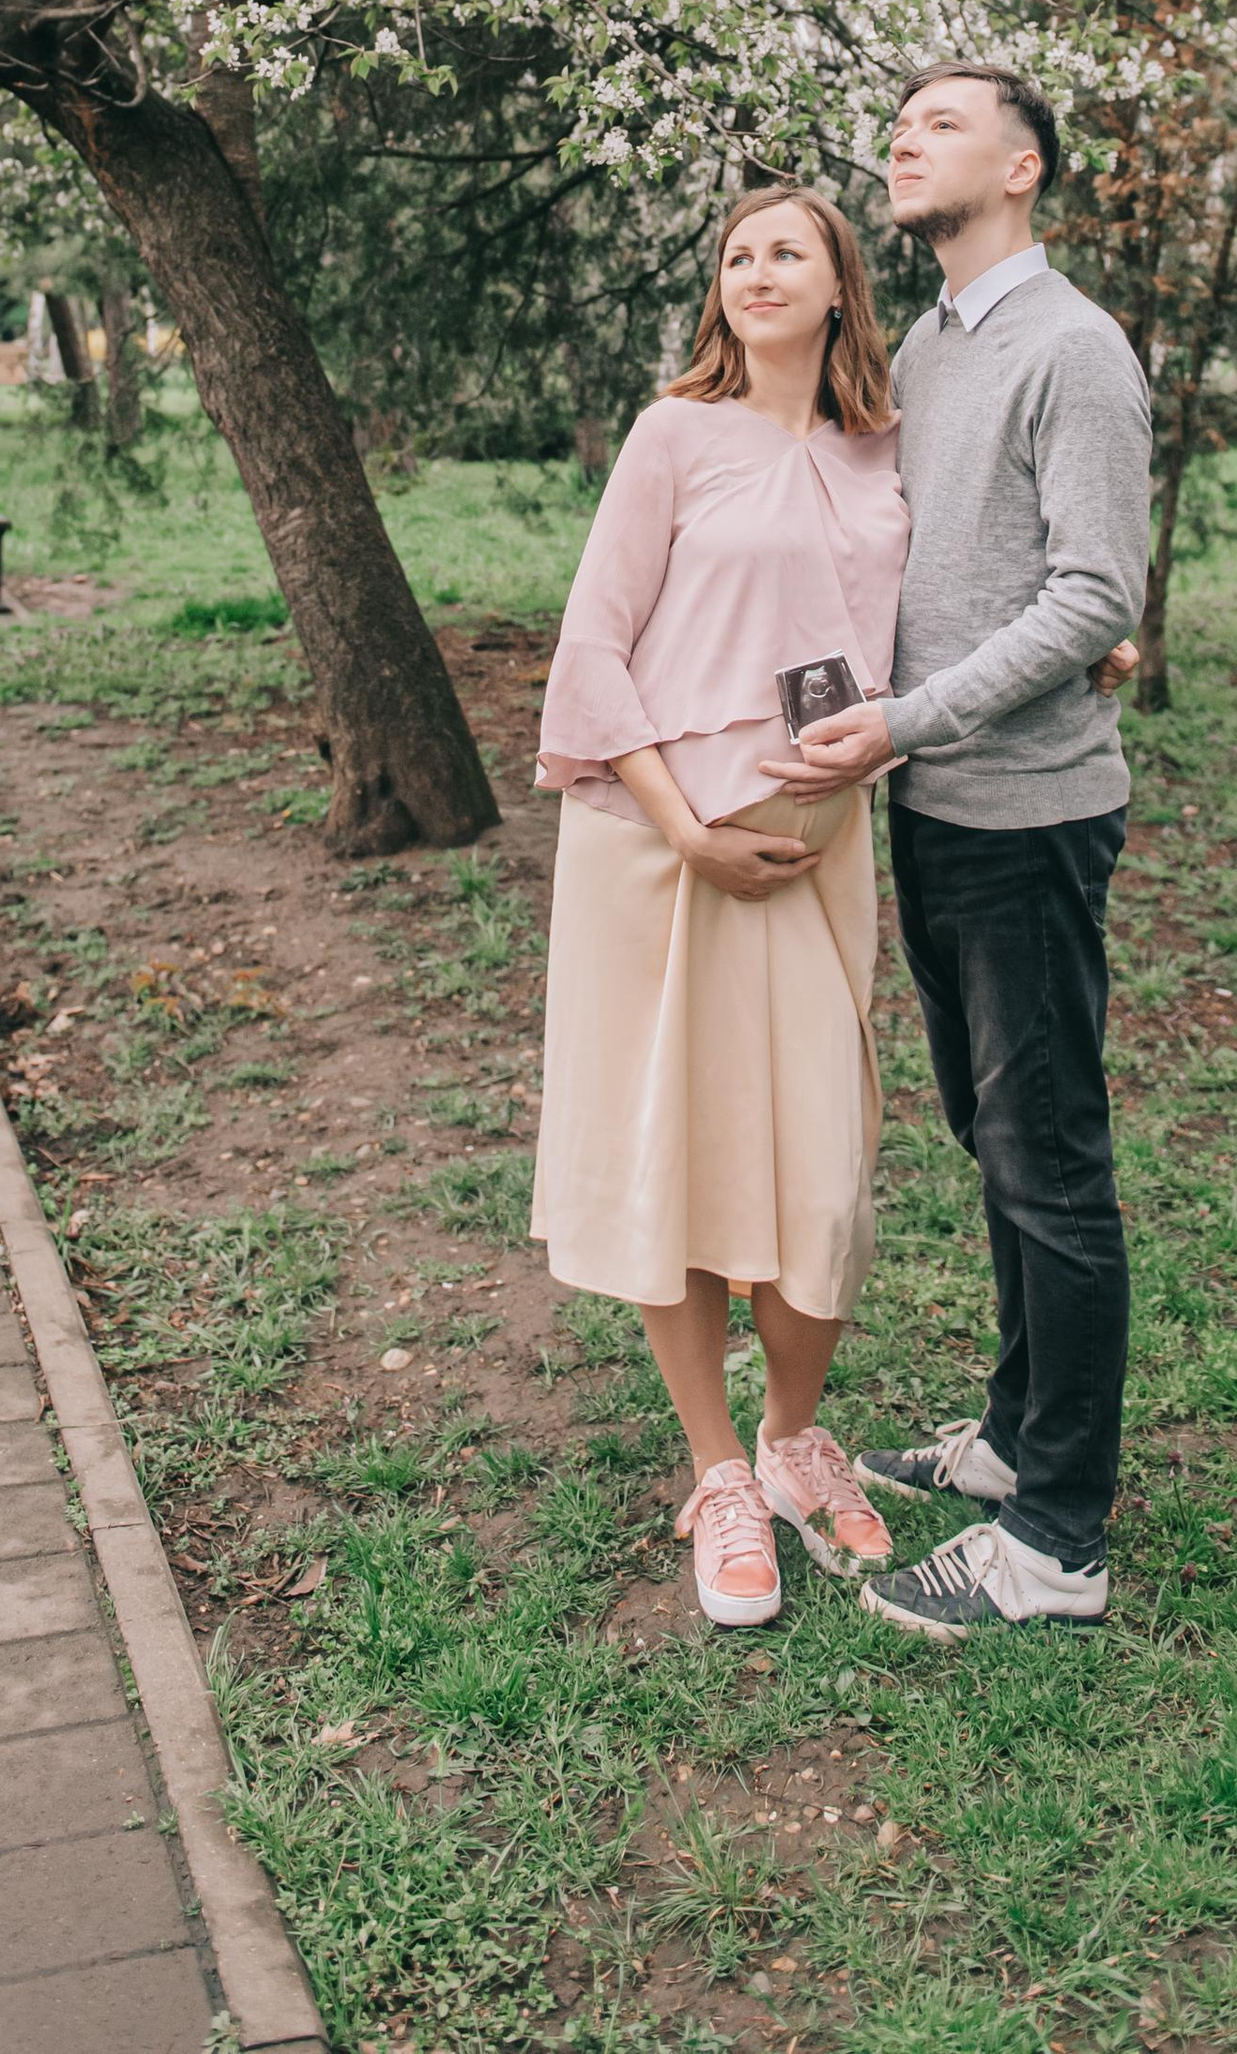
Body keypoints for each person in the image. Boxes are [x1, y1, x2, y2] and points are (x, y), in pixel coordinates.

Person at [767, 63, 1150, 1638]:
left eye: (940, 121)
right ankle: (1012, 1441)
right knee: (995, 1145)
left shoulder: (1075, 346)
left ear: (1023, 163)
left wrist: (912, 716)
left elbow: (1093, 594)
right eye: (898, 122)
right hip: (928, 812)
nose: (902, 140)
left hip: (1028, 818)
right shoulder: (923, 345)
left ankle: (1059, 1539)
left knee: (1051, 1167)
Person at [530, 188, 908, 1629]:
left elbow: (922, 630)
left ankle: (797, 1438)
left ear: (838, 289)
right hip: (659, 851)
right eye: (737, 254)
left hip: (819, 855)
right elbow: (593, 642)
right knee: (675, 1158)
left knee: (823, 1165)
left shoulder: (884, 454)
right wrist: (688, 829)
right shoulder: (673, 433)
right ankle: (718, 1471)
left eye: (787, 252)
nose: (757, 270)